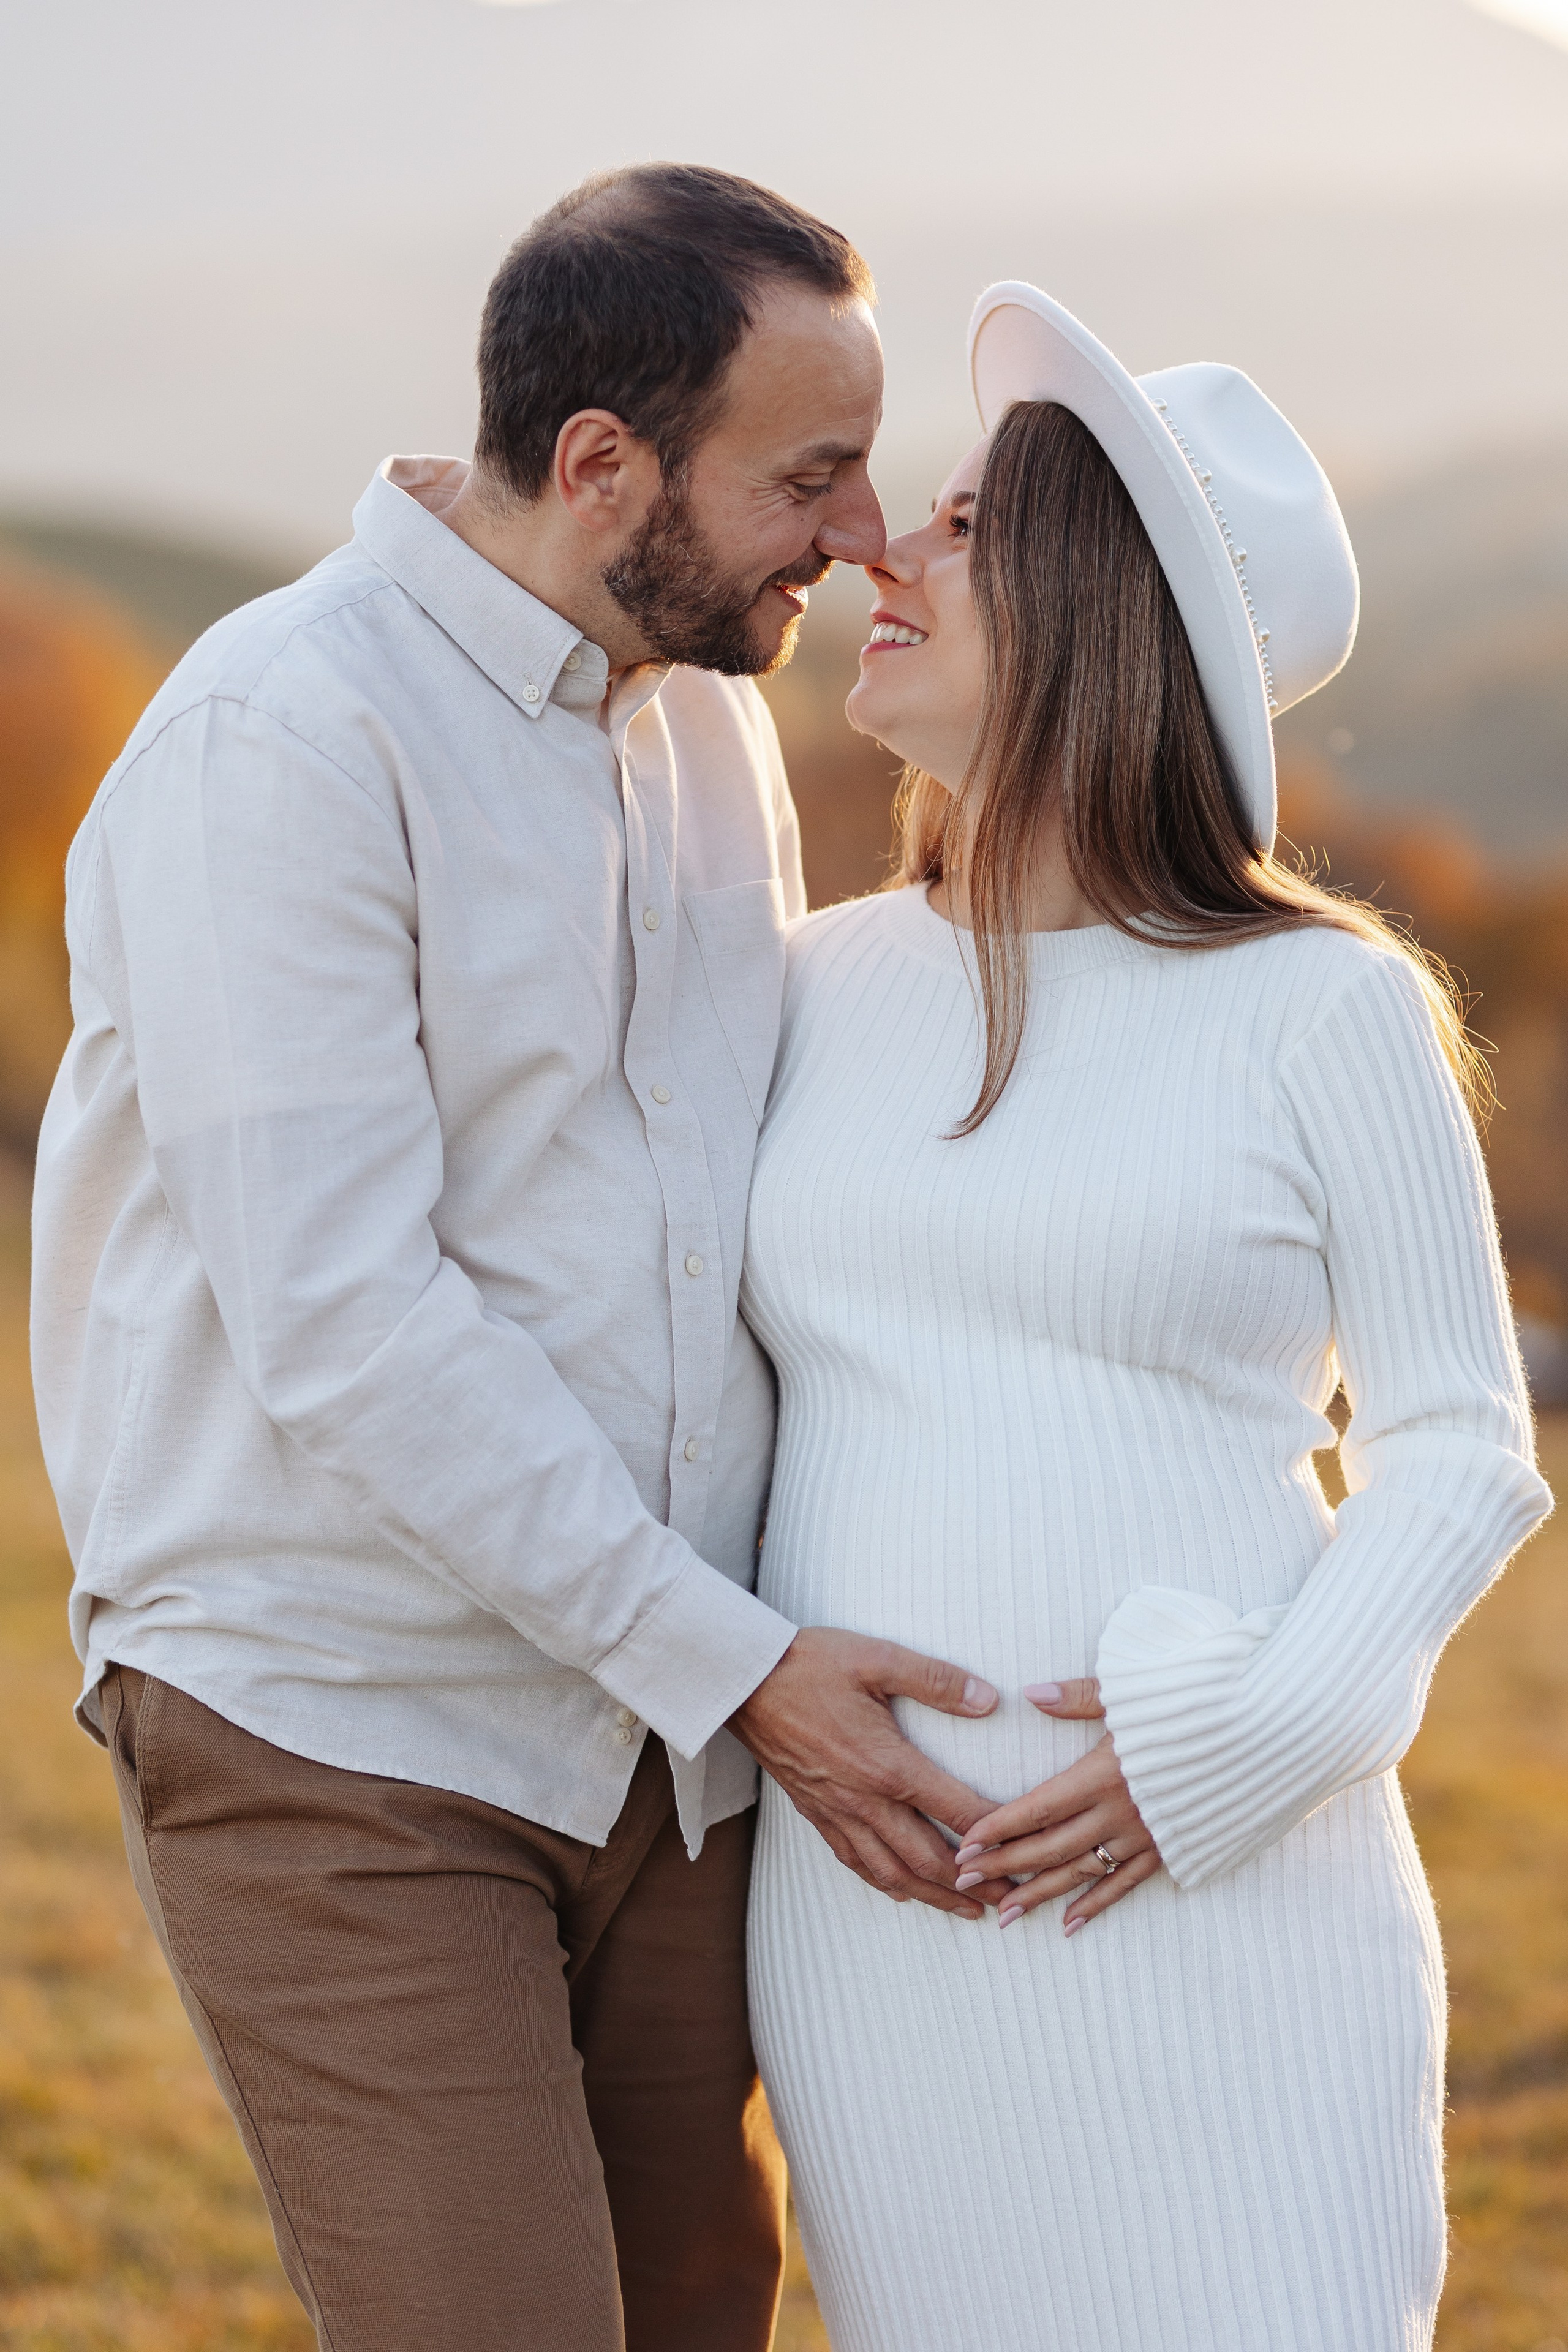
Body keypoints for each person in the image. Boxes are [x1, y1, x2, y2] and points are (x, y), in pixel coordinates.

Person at [29, 166, 1008, 2352]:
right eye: (813, 476)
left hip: (672, 1750)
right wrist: (739, 1660)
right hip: (343, 1720)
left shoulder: (708, 723)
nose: (861, 537)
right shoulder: (278, 739)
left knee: (695, 2321)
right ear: (601, 469)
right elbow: (348, 1325)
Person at [742, 281, 1555, 2351]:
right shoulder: (806, 985)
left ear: (1105, 614)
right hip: (879, 1933)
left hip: (1222, 1904)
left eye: (962, 524)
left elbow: (1463, 1446)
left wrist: (1247, 1744)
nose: (881, 554)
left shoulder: (1326, 1003)